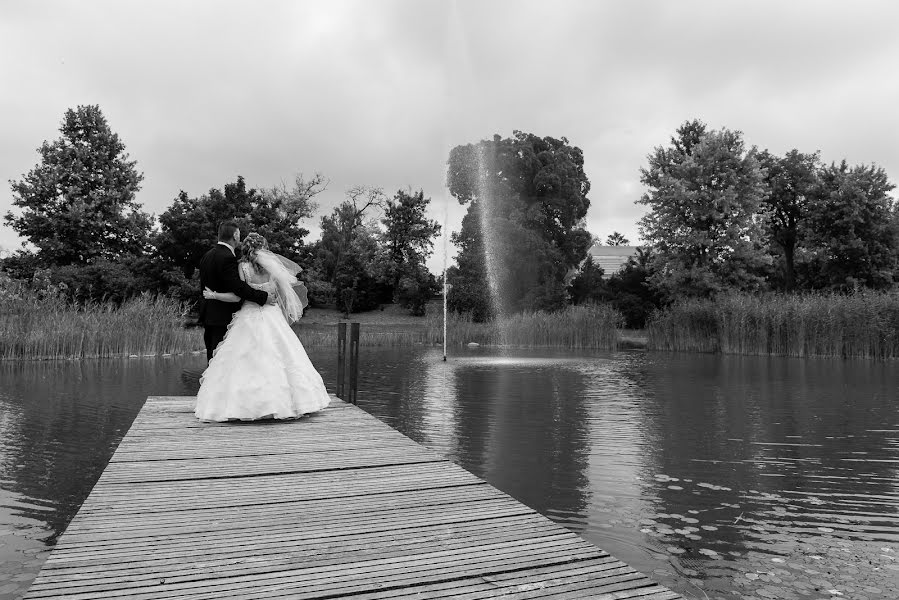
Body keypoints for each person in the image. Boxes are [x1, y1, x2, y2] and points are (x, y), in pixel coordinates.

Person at [194, 232, 331, 422]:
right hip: (272, 315)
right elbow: (283, 295)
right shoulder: (273, 269)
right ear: (264, 248)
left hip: (248, 316)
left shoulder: (242, 267)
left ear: (246, 247)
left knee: (242, 358)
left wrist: (214, 295)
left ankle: (244, 406)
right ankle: (294, 402)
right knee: (284, 356)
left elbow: (239, 295)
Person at [197, 221, 273, 361]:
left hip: (209, 317)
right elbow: (238, 288)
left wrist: (212, 295)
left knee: (213, 361)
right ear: (235, 235)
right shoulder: (227, 258)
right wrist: (263, 296)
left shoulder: (207, 255)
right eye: (239, 233)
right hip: (222, 317)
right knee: (222, 361)